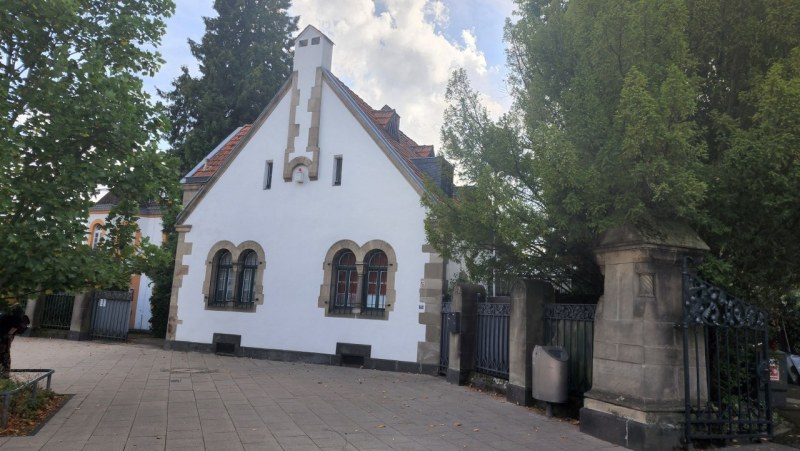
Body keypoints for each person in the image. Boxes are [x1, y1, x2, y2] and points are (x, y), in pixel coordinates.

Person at [0, 311, 29, 378]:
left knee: (5, 357)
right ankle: (5, 376)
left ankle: (5, 376)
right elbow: (8, 336)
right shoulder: (13, 322)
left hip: (4, 340)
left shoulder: (13, 321)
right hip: (3, 338)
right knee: (4, 358)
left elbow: (9, 337)